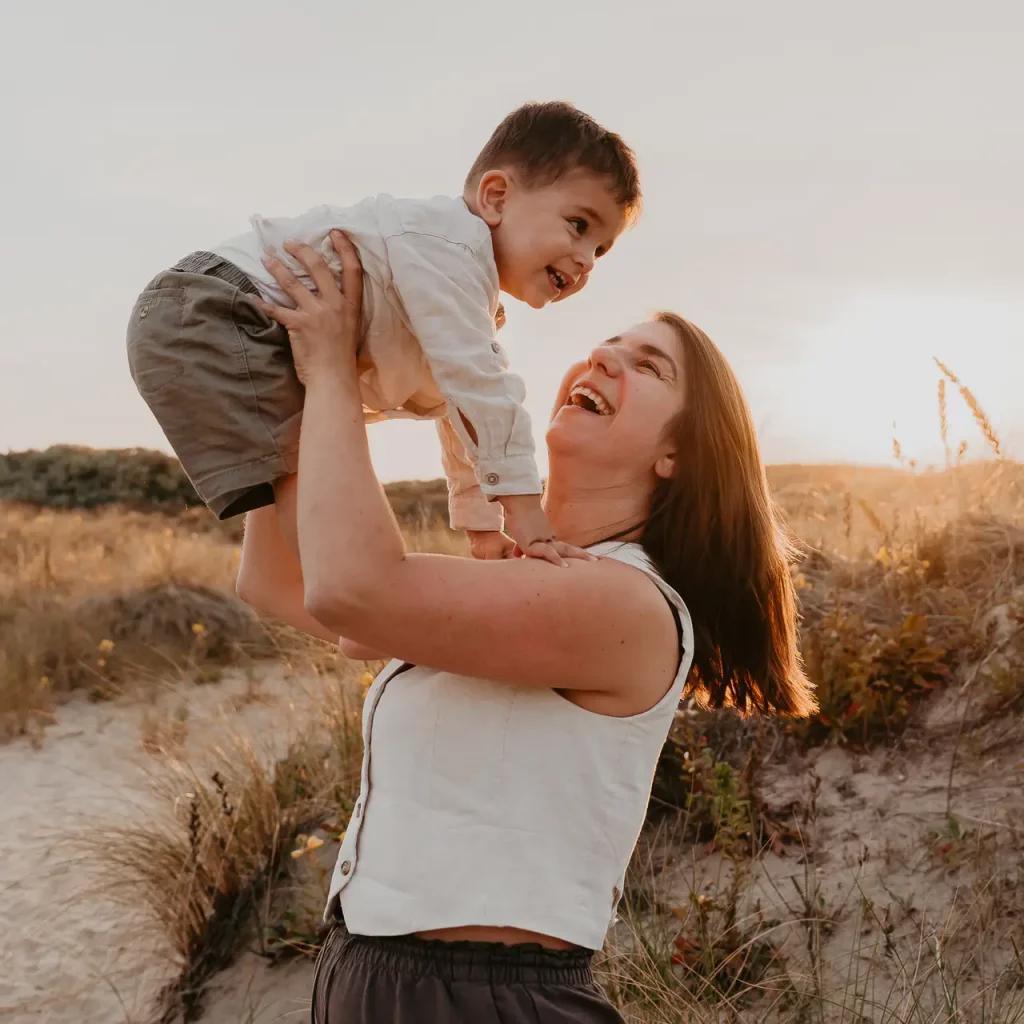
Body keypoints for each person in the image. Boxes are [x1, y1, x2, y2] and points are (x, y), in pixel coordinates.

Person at [236, 234, 817, 1023]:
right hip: (366, 973)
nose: (601, 361)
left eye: (647, 366)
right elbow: (275, 583)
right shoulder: (519, 581)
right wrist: (283, 386)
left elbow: (351, 590)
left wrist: (335, 370)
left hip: (484, 999)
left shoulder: (626, 604)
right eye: (603, 348)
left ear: (677, 452)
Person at [126, 101, 640, 566]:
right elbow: (481, 388)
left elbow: (457, 411)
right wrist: (531, 522)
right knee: (322, 511)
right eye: (578, 225)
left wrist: (484, 527)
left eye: (601, 250)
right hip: (217, 309)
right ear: (496, 197)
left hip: (214, 320)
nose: (585, 260)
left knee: (308, 510)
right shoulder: (448, 245)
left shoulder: (460, 299)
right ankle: (358, 593)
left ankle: (353, 600)